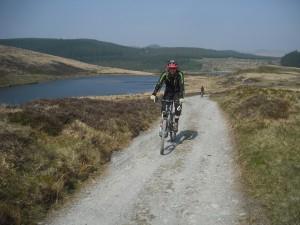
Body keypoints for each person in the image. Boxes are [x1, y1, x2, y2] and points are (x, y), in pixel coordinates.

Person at [150, 60, 184, 132]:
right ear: (168, 68)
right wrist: (154, 93)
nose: (172, 70)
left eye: (174, 68)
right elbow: (159, 84)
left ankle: (176, 122)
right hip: (168, 93)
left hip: (177, 93)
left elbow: (181, 86)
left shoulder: (180, 74)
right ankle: (163, 123)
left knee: (178, 107)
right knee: (164, 108)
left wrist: (181, 97)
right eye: (171, 68)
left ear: (176, 68)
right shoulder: (164, 74)